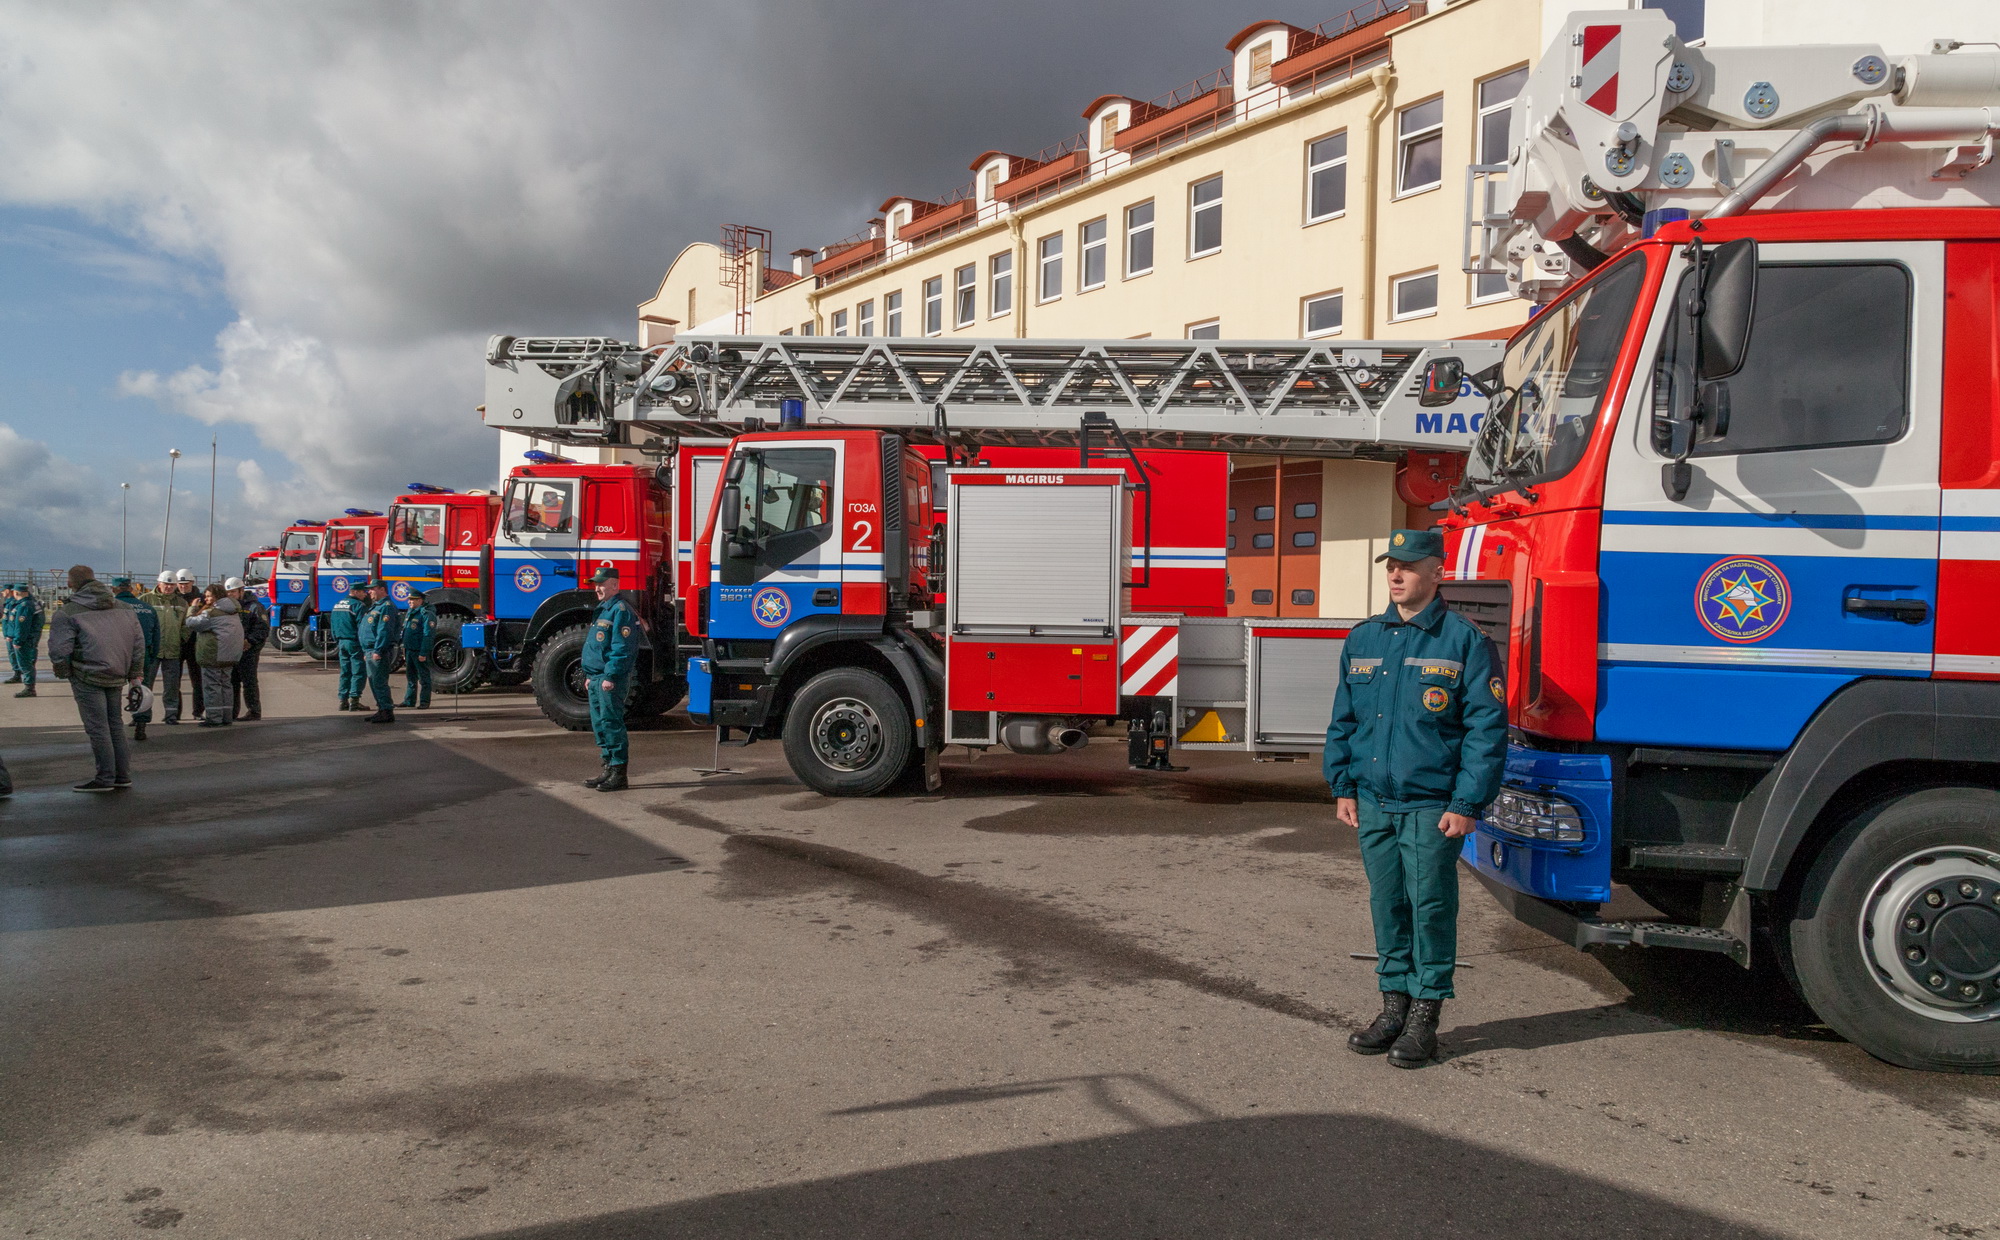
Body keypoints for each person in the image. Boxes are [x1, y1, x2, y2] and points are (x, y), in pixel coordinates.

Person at [1324, 528, 1506, 1069]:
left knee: (1429, 908)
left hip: (1433, 805)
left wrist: (1467, 803)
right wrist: (1343, 786)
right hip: (1374, 801)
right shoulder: (1365, 638)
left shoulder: (1464, 640)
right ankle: (1393, 1005)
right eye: (1391, 566)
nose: (1396, 575)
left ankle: (1426, 1013)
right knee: (1388, 904)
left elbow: (1485, 730)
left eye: (1408, 565)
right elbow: (1344, 720)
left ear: (1437, 573)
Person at [46, 565, 145, 792]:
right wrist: (133, 674)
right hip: (116, 672)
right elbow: (138, 645)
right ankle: (122, 775)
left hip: (86, 673)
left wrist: (64, 672)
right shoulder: (124, 608)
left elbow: (59, 650)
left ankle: (105, 778)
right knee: (115, 725)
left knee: (97, 728)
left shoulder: (68, 612)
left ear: (71, 584)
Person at [580, 565, 638, 793]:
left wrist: (610, 676)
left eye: (602, 584)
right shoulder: (603, 609)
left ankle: (619, 774)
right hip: (596, 678)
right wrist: (590, 676)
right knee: (600, 725)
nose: (597, 588)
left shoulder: (621, 610)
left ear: (615, 585)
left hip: (608, 679)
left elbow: (622, 649)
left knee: (612, 724)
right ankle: (607, 767)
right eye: (596, 584)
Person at [184, 584, 243, 728]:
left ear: (217, 596)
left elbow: (191, 623)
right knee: (226, 685)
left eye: (209, 596)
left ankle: (214, 718)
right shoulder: (233, 611)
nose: (206, 598)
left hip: (214, 654)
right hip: (230, 654)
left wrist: (192, 608)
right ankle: (227, 716)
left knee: (212, 687)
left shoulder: (211, 613)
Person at [111, 577, 161, 741]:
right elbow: (156, 635)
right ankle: (141, 725)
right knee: (141, 689)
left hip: (117, 653)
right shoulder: (147, 608)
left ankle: (114, 726)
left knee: (113, 689)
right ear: (131, 589)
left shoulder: (111, 607)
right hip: (142, 654)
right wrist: (151, 655)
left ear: (114, 589)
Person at [141, 571, 189, 724]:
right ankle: (142, 716)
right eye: (166, 584)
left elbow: (186, 625)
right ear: (159, 583)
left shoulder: (181, 603)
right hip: (151, 651)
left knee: (171, 686)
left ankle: (171, 715)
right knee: (145, 685)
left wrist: (181, 638)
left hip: (172, 650)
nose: (168, 587)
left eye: (171, 585)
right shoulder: (145, 600)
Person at [356, 580, 402, 723]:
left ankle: (387, 711)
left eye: (372, 589)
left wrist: (378, 650)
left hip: (377, 651)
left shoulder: (386, 607)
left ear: (382, 589)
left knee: (379, 682)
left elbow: (384, 631)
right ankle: (381, 709)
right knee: (374, 682)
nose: (369, 592)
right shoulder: (376, 607)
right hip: (370, 650)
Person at [227, 576, 269, 721]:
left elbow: (262, 629)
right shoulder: (228, 607)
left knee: (249, 682)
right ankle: (232, 712)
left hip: (248, 652)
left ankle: (254, 711)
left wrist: (249, 641)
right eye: (228, 592)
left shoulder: (254, 607)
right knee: (232, 682)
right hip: (232, 650)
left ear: (241, 590)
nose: (230, 595)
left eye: (233, 592)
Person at [330, 582, 371, 711]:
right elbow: (362, 627)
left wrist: (337, 640)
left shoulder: (337, 604)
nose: (366, 594)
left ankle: (343, 700)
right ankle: (354, 700)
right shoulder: (358, 605)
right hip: (354, 642)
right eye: (364, 592)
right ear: (356, 592)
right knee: (358, 671)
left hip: (341, 642)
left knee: (345, 671)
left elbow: (332, 624)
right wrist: (365, 645)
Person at [174, 569, 205, 720]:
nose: (183, 587)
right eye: (180, 584)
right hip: (178, 643)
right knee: (174, 680)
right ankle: (175, 713)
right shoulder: (172, 598)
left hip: (195, 644)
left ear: (192, 583)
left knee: (198, 680)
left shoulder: (202, 599)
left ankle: (198, 712)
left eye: (186, 584)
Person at [400, 588, 435, 709]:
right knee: (410, 676)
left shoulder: (426, 614)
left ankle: (424, 702)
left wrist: (423, 652)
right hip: (409, 649)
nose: (409, 602)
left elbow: (428, 635)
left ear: (420, 600)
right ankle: (409, 700)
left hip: (419, 650)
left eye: (412, 600)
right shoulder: (411, 612)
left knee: (423, 677)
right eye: (409, 599)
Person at [9, 582, 43, 697]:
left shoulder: (25, 606)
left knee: (25, 664)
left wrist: (18, 641)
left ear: (17, 592)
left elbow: (22, 626)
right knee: (26, 663)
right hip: (27, 638)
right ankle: (29, 687)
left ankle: (29, 688)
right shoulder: (25, 604)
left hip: (25, 640)